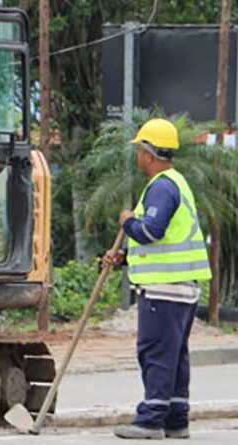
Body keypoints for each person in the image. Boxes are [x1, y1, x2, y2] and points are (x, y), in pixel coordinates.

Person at [103, 118, 212, 440]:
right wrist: (124, 257)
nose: (137, 156)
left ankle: (150, 420)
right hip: (180, 287)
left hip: (165, 290)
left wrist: (128, 221)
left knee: (156, 353)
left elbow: (151, 232)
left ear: (148, 154)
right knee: (175, 354)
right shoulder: (175, 182)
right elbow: (161, 245)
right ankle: (176, 419)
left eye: (139, 150)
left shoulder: (162, 186)